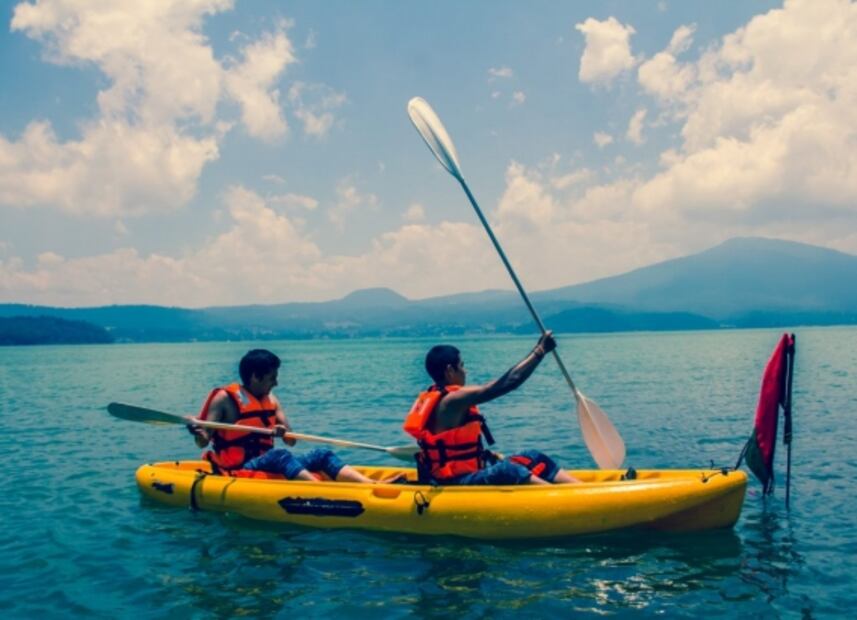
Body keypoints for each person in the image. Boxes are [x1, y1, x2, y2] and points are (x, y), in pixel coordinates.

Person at [404, 332, 580, 485]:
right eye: (462, 365)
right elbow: (506, 384)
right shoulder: (451, 400)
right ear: (450, 370)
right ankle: (565, 499)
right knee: (507, 470)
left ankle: (581, 489)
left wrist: (486, 456)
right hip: (453, 482)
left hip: (469, 473)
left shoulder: (446, 397)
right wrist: (539, 351)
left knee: (532, 457)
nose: (465, 371)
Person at [189, 348, 379, 483]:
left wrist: (283, 431)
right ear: (256, 376)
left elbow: (291, 441)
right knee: (279, 455)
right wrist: (197, 430)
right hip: (239, 468)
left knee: (322, 454)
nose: (276, 383)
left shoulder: (271, 399)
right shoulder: (224, 399)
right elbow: (202, 442)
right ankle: (320, 490)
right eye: (272, 378)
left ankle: (370, 485)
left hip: (270, 462)